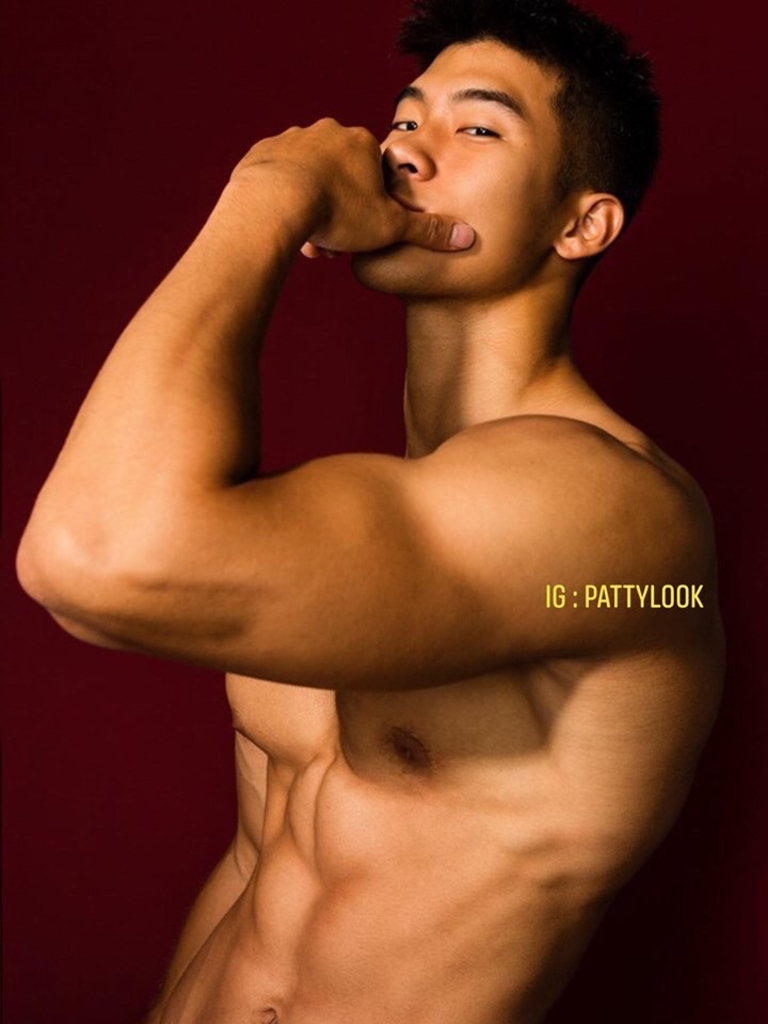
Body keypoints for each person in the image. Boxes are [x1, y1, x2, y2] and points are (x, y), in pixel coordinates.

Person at [16, 0, 725, 1021]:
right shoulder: (369, 526)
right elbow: (259, 861)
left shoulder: (609, 512)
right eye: (404, 116)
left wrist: (268, 194)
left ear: (581, 223)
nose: (404, 150)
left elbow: (93, 557)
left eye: (476, 127)